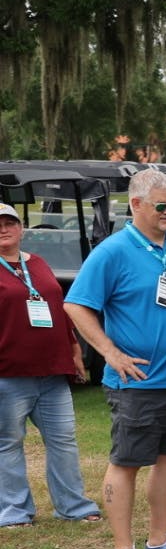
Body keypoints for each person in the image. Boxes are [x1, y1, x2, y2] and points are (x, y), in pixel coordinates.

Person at [65, 168, 166, 549]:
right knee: (127, 461)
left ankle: (160, 541)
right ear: (135, 204)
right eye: (161, 205)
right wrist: (110, 352)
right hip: (140, 382)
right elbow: (76, 305)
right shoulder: (113, 251)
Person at [0, 201, 101, 527]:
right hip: (8, 373)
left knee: (64, 441)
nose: (4, 229)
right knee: (8, 444)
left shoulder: (38, 263)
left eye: (9, 223)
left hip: (52, 372)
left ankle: (74, 506)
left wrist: (74, 349)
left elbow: (57, 308)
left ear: (21, 229)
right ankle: (14, 512)